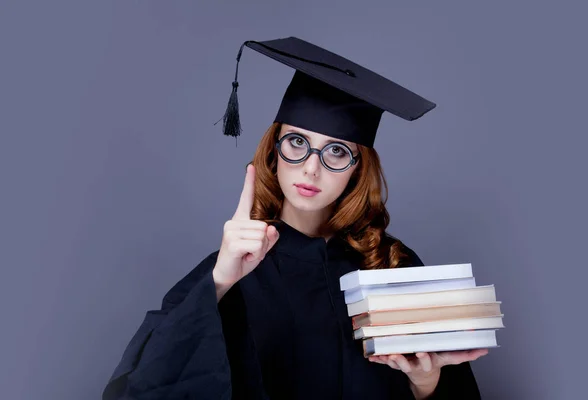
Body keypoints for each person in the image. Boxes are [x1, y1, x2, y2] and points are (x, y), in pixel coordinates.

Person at [102, 37, 488, 400]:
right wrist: (219, 282)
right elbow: (141, 388)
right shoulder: (233, 268)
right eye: (297, 143)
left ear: (357, 168)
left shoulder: (391, 265)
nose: (310, 170)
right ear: (274, 149)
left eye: (335, 151)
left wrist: (425, 381)